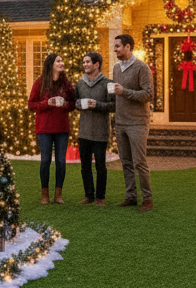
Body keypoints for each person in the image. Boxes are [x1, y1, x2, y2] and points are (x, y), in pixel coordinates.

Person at [111, 34, 154, 211]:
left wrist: (125, 92)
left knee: (139, 162)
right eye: (114, 47)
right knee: (126, 162)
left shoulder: (141, 68)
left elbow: (148, 94)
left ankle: (147, 199)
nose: (115, 49)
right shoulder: (115, 68)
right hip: (120, 122)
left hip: (137, 123)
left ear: (128, 47)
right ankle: (130, 197)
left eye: (118, 46)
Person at [27, 52, 75, 205]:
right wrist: (47, 103)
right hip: (44, 128)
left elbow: (73, 102)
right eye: (58, 61)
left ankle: (58, 194)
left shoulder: (65, 83)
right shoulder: (40, 83)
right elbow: (31, 105)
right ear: (51, 65)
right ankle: (44, 194)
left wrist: (65, 104)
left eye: (62, 60)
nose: (61, 63)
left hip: (61, 128)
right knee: (45, 160)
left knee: (61, 161)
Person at [75, 51, 113, 205]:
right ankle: (89, 195)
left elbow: (114, 105)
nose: (85, 65)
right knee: (85, 166)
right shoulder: (80, 83)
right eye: (84, 62)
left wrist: (97, 105)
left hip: (100, 132)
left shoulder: (107, 83)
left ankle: (100, 197)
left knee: (100, 166)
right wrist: (80, 104)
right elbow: (75, 103)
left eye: (88, 62)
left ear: (97, 64)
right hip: (84, 131)